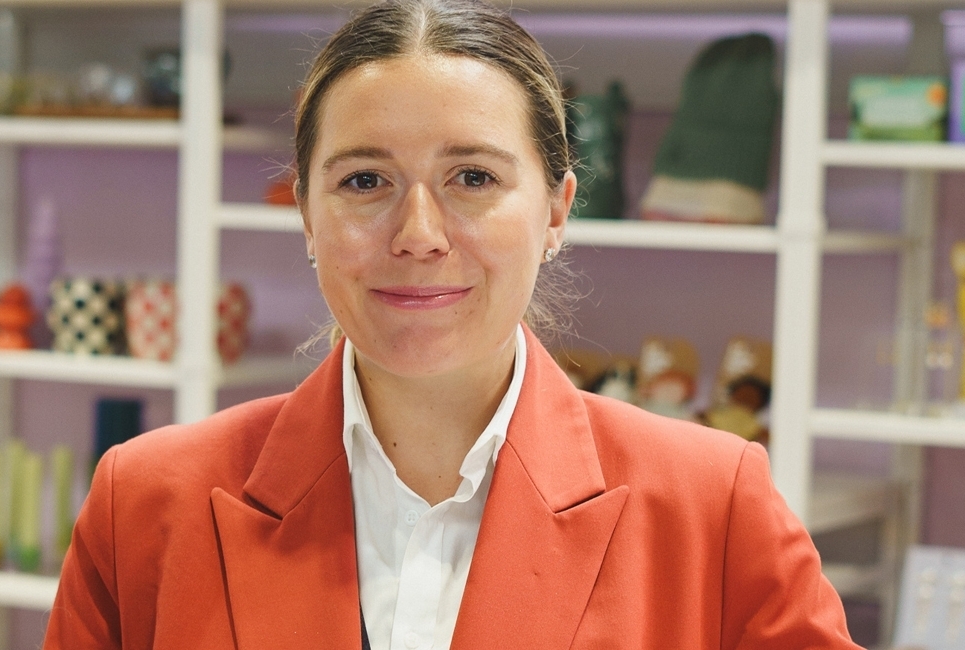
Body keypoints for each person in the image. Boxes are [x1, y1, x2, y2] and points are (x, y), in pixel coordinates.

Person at [44, 1, 862, 648]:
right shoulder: (143, 505)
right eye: (365, 180)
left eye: (472, 177)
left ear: (556, 212)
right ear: (306, 213)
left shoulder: (713, 507)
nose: (419, 234)